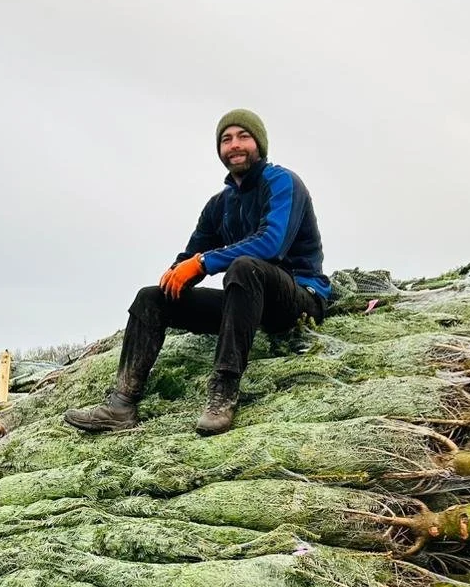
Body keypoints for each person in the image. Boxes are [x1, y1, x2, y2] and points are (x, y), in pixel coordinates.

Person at [64, 109, 334, 436]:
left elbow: (270, 244)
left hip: (297, 298)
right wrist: (176, 274)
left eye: (243, 136)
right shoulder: (219, 205)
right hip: (246, 306)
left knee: (244, 267)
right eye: (226, 139)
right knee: (151, 298)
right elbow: (191, 256)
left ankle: (223, 393)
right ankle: (121, 404)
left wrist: (203, 263)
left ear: (259, 144)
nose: (235, 145)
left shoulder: (282, 183)